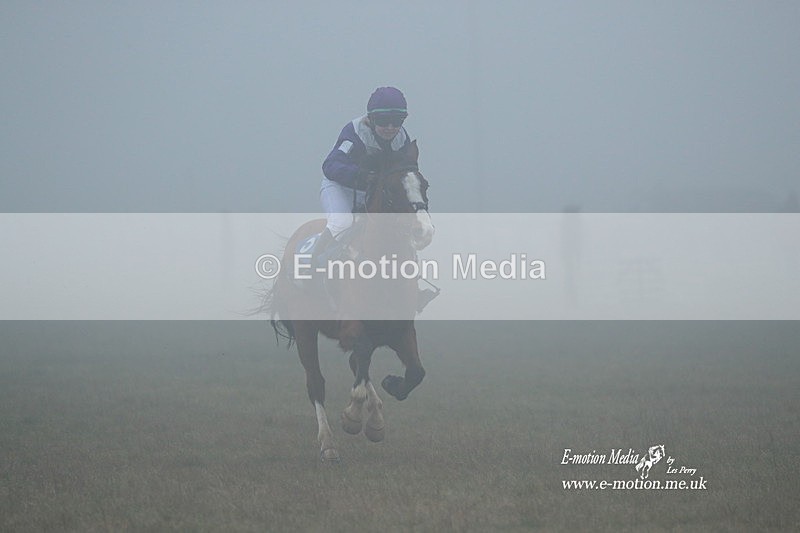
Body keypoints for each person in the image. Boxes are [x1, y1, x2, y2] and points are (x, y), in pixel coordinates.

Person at [316, 86, 411, 255]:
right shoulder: (355, 133)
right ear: (371, 119)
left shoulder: (402, 139)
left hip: (371, 192)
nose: (390, 127)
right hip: (340, 188)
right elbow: (330, 165)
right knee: (341, 224)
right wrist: (359, 175)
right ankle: (313, 263)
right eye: (383, 121)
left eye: (397, 121)